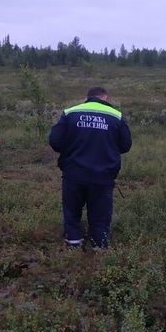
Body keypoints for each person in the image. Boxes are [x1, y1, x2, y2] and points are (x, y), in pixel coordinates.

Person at [48, 86, 132, 248]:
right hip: (103, 175)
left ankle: (73, 243)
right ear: (105, 98)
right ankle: (99, 248)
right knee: (100, 215)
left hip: (74, 173)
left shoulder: (70, 113)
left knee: (72, 211)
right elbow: (126, 145)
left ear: (88, 98)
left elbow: (55, 142)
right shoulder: (116, 116)